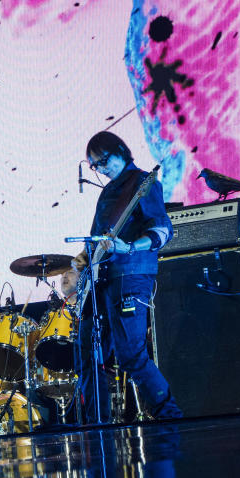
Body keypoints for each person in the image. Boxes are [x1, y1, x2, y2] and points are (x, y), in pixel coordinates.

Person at [73, 132, 182, 423]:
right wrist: (83, 261)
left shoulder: (143, 183)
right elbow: (97, 241)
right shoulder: (107, 192)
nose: (101, 168)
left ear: (121, 151)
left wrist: (130, 246)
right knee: (87, 356)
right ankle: (98, 425)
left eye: (104, 160)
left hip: (131, 276)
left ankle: (170, 416)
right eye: (95, 165)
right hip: (103, 280)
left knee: (130, 354)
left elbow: (162, 231)